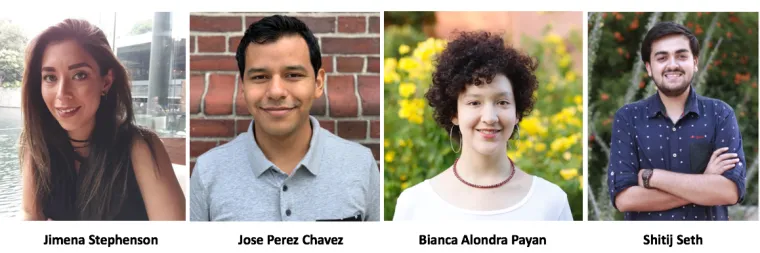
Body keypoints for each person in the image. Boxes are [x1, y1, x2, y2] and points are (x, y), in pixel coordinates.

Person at [189, 15, 380, 221]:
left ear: (318, 83)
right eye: (260, 77)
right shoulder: (208, 171)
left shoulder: (360, 164)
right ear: (243, 87)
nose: (276, 91)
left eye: (293, 75)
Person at [393, 31, 573, 221]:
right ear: (454, 113)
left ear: (517, 113)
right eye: (474, 103)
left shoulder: (551, 202)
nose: (489, 117)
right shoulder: (415, 204)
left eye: (502, 102)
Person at [19, 19, 186, 221]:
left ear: (105, 82)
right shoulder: (37, 141)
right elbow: (30, 214)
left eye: (79, 75)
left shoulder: (140, 148)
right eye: (50, 77)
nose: (62, 94)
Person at [607, 21, 746, 220]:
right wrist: (704, 183)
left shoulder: (720, 114)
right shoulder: (628, 118)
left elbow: (730, 192)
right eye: (662, 58)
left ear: (695, 63)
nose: (672, 64)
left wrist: (652, 177)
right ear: (648, 67)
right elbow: (625, 199)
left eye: (681, 56)